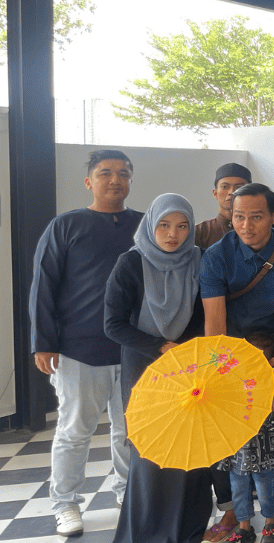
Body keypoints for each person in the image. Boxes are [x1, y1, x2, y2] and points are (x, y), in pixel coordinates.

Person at [199, 184, 274, 541]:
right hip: (232, 350)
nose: (246, 225)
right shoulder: (217, 255)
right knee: (224, 428)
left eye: (256, 217)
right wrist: (221, 372)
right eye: (239, 217)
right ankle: (230, 510)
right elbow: (215, 322)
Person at [31, 150, 138, 537]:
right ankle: (65, 504)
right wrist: (43, 342)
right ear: (89, 181)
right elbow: (44, 284)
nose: (115, 180)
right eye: (105, 173)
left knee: (130, 430)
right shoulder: (66, 225)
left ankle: (128, 493)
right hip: (79, 348)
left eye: (123, 173)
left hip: (133, 349)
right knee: (74, 430)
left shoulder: (144, 225)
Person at [105, 193, 210, 543]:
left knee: (189, 452)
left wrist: (188, 353)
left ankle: (187, 532)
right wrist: (160, 346)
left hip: (189, 369)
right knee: (150, 455)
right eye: (164, 225)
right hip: (144, 370)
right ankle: (146, 534)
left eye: (181, 226)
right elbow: (113, 324)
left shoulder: (199, 260)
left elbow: (205, 315)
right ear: (151, 225)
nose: (172, 234)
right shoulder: (130, 263)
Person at [215, 333, 274, 543]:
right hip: (238, 450)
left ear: (271, 362)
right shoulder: (233, 382)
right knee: (238, 489)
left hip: (264, 451)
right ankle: (244, 526)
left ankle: (271, 522)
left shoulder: (271, 384)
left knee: (266, 487)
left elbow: (273, 406)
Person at [196, 163, 252, 249]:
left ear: (250, 193)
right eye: (225, 187)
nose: (232, 192)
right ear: (215, 193)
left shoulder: (260, 230)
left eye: (239, 187)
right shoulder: (200, 232)